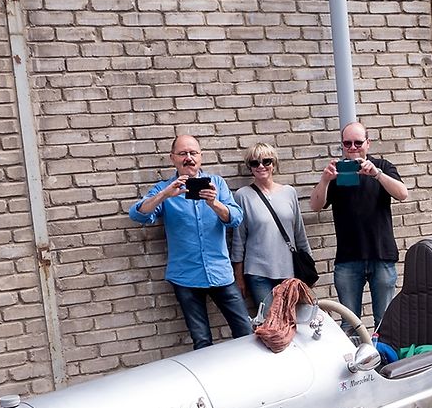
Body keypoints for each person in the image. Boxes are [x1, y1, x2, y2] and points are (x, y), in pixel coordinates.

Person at [128, 134, 253, 350]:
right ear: (172, 158)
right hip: (185, 277)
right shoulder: (164, 189)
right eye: (183, 153)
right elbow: (138, 215)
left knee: (245, 332)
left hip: (220, 273)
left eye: (193, 153)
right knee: (202, 341)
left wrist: (214, 203)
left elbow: (235, 218)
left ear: (201, 157)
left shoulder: (217, 184)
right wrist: (165, 195)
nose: (189, 158)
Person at [310, 121, 409, 326]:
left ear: (368, 143)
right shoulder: (337, 172)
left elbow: (402, 194)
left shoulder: (382, 166)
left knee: (385, 322)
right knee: (349, 323)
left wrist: (377, 174)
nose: (353, 148)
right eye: (347, 144)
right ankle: (355, 359)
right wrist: (326, 180)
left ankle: (384, 358)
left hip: (381, 256)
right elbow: (315, 206)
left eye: (358, 143)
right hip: (348, 259)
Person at [230, 142, 311, 313]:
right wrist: (238, 276)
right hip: (258, 272)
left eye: (266, 161)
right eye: (254, 163)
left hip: (289, 270)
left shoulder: (289, 192)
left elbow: (299, 233)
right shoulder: (243, 195)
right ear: (250, 167)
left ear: (273, 164)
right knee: (269, 324)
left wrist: (308, 266)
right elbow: (239, 239)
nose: (261, 166)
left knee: (290, 320)